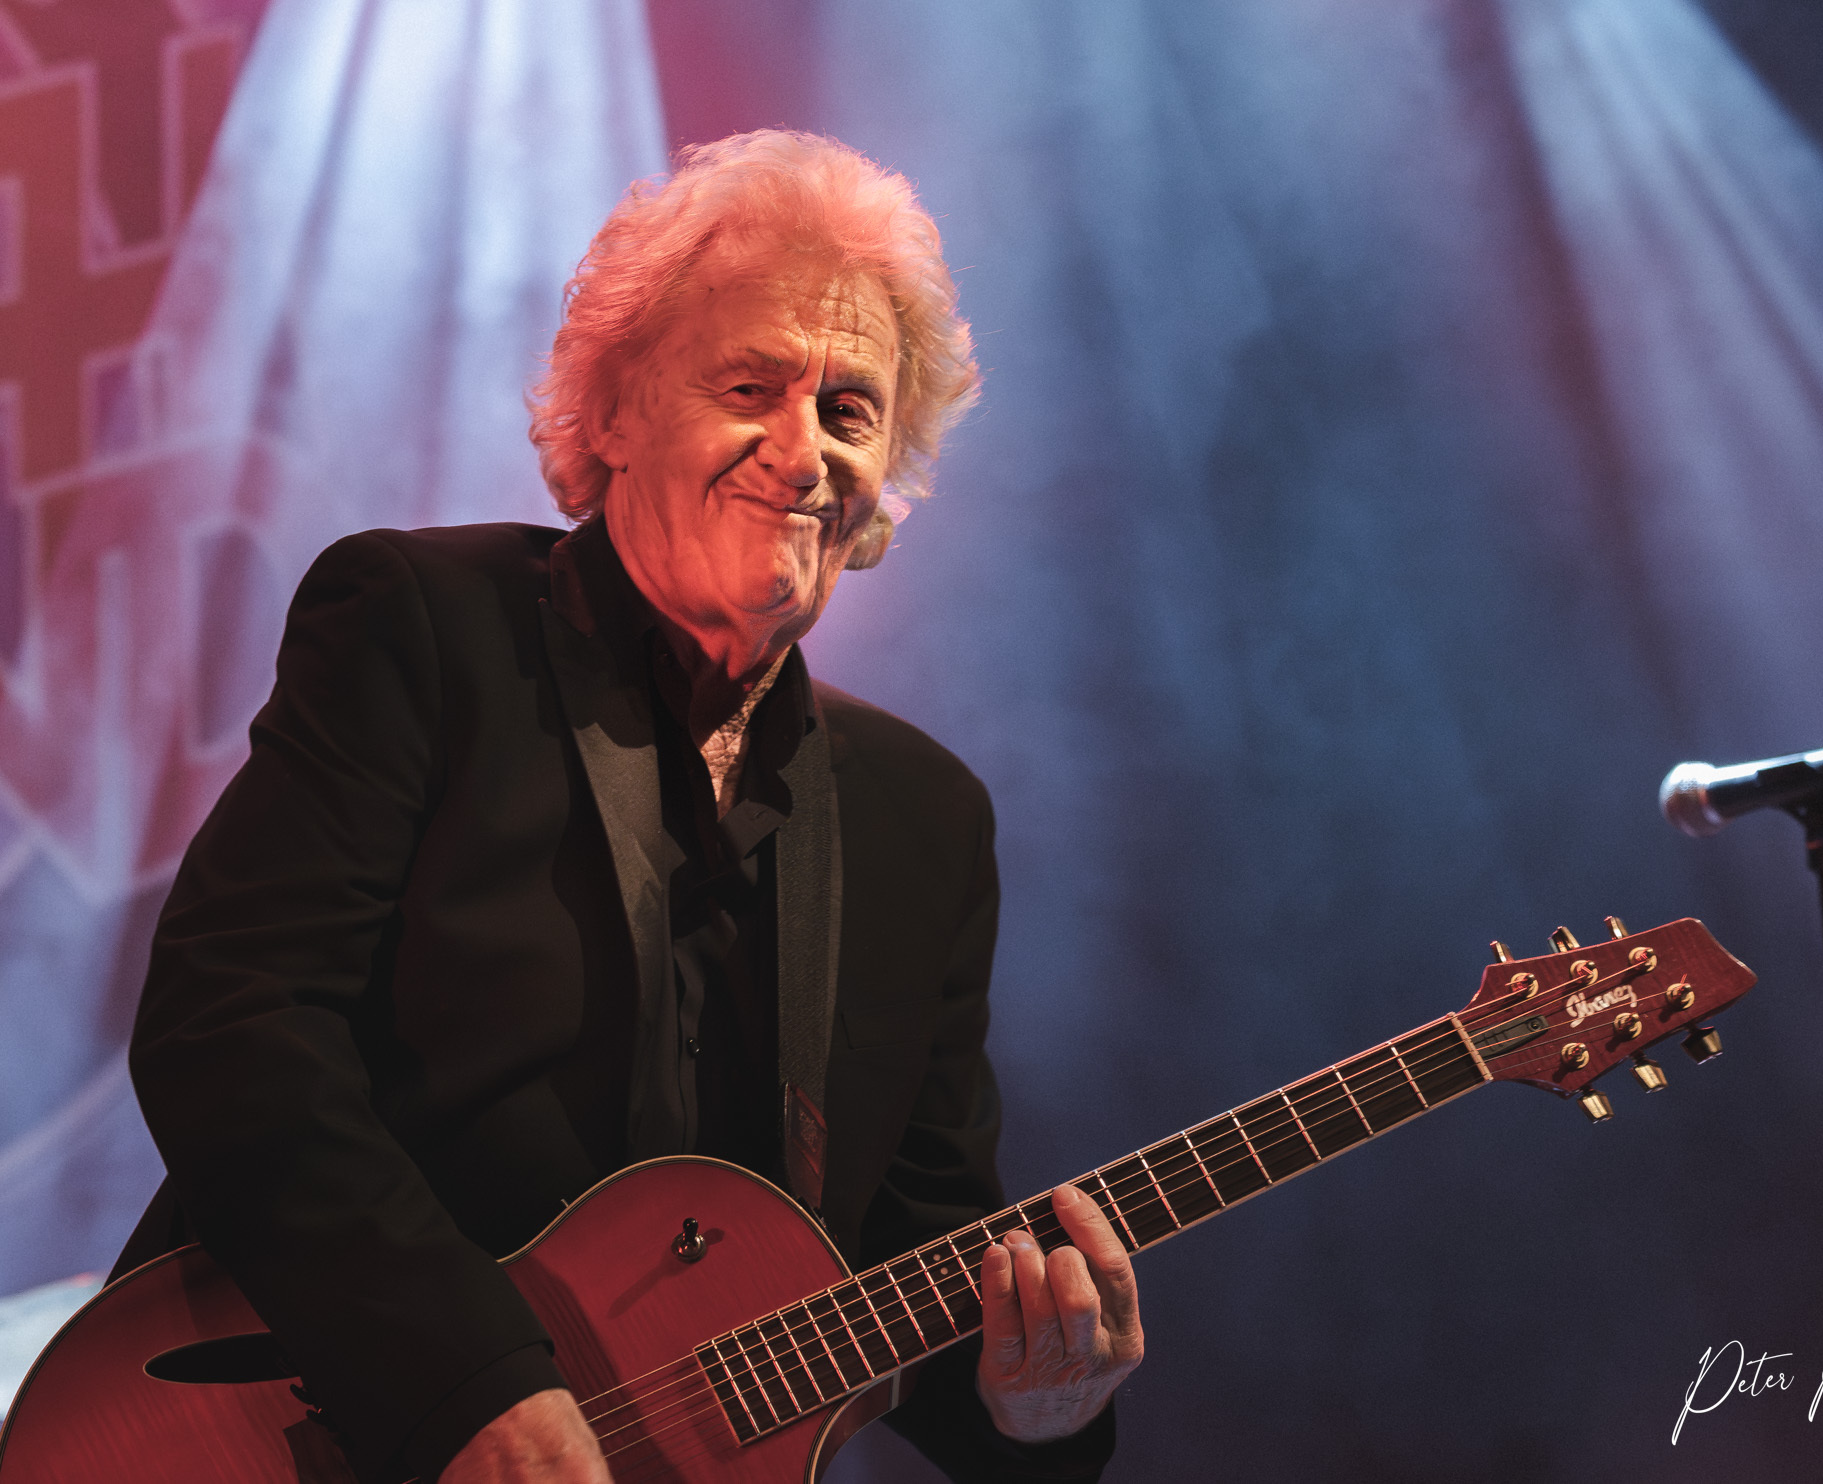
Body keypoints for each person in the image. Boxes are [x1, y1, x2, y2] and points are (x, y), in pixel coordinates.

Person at [116, 130, 1143, 1483]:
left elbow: (912, 1270)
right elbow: (232, 1026)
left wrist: (1040, 1409)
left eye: (851, 411)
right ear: (610, 412)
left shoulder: (924, 819)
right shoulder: (424, 626)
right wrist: (466, 1388)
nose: (803, 452)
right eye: (751, 386)